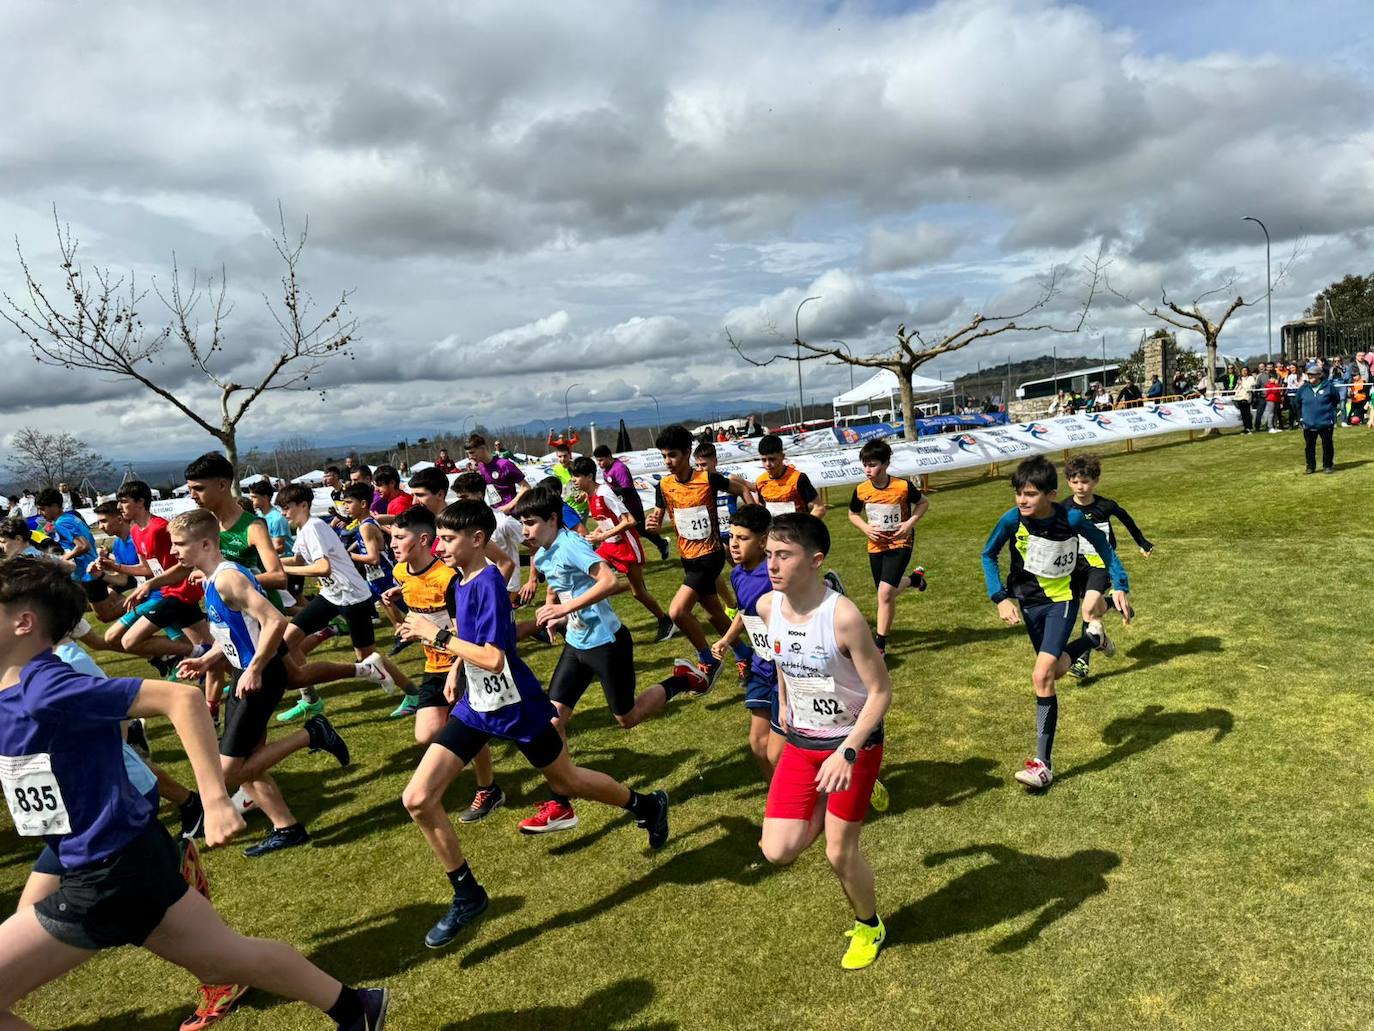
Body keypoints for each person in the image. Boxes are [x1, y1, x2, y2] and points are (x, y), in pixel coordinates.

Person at [0, 557, 391, 1030]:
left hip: (106, 872)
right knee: (228, 959)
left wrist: (214, 799)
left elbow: (180, 699)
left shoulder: (47, 686)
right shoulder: (13, 681)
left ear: (24, 623)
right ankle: (357, 1009)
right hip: (116, 851)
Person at [398, 500, 669, 949]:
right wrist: (453, 670)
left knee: (568, 779)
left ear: (477, 539)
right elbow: (472, 644)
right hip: (476, 706)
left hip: (516, 706)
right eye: (439, 538)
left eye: (447, 539)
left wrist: (436, 637)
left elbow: (495, 655)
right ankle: (468, 894)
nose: (439, 546)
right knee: (418, 798)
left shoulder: (486, 584)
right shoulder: (461, 583)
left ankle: (645, 805)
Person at [510, 487, 708, 833]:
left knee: (626, 717)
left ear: (553, 519)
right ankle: (561, 804)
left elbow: (610, 581)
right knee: (552, 722)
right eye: (522, 523)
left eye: (530, 523)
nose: (524, 530)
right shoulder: (543, 552)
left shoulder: (571, 544)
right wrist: (554, 614)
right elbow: (557, 583)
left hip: (607, 643)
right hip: (576, 644)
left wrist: (564, 608)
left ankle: (682, 679)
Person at [167, 509, 356, 859]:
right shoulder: (212, 579)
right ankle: (287, 827)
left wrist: (254, 668)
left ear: (206, 543)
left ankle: (313, 733)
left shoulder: (227, 579)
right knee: (250, 760)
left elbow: (274, 620)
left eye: (179, 544)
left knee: (226, 775)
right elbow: (236, 634)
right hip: (248, 672)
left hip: (259, 678)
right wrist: (206, 660)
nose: (174, 551)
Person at [756, 513, 893, 970]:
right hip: (801, 742)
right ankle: (837, 800)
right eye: (769, 553)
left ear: (815, 561)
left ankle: (870, 924)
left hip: (851, 745)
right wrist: (781, 717)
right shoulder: (767, 607)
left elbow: (881, 691)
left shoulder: (844, 616)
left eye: (784, 555)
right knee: (777, 851)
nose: (772, 564)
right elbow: (781, 664)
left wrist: (849, 752)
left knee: (839, 851)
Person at [980, 456, 1134, 791]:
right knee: (1058, 669)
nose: (1022, 500)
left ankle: (1042, 765)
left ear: (1051, 493)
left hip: (1061, 602)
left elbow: (1106, 552)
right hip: (1029, 604)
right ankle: (1093, 640)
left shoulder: (1072, 518)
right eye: (1019, 493)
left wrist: (1120, 583)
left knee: (1041, 674)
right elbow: (987, 554)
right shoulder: (1012, 520)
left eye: (1031, 494)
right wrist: (1000, 597)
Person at [276, 485, 401, 721]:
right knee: (285, 643)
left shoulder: (314, 527)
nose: (284, 513)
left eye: (286, 508)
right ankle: (310, 700)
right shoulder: (303, 531)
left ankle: (413, 693)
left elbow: (323, 567)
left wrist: (286, 569)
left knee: (368, 656)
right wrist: (271, 564)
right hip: (331, 596)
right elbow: (299, 559)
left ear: (303, 505)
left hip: (353, 596)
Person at [646, 425, 752, 680]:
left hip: (710, 554)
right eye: (663, 456)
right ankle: (744, 653)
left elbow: (741, 490)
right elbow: (658, 517)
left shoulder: (707, 479)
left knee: (677, 612)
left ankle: (708, 660)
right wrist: (654, 524)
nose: (668, 462)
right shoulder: (665, 486)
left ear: (687, 453)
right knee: (713, 612)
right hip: (687, 557)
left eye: (673, 455)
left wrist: (754, 519)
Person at [1063, 454, 1154, 679]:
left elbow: (1127, 521)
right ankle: (1112, 606)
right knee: (1093, 611)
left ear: (1096, 481)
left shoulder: (1105, 506)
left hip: (1101, 564)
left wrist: (1142, 542)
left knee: (1087, 610)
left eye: (1085, 481)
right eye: (1074, 482)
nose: (1080, 487)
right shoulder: (1063, 507)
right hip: (1076, 566)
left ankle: (1082, 661)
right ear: (1068, 482)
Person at [710, 505, 783, 779]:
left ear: (763, 541)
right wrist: (727, 640)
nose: (734, 545)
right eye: (731, 537)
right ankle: (777, 798)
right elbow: (745, 612)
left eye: (743, 538)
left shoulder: (776, 574)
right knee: (757, 744)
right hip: (760, 664)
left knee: (781, 749)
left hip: (785, 668)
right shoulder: (736, 575)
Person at [568, 457, 674, 642]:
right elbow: (606, 522)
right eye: (572, 476)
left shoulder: (604, 493)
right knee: (589, 576)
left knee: (638, 593)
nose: (573, 480)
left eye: (576, 476)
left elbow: (630, 521)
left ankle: (665, 620)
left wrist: (601, 536)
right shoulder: (590, 495)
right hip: (609, 546)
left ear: (589, 476)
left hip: (626, 546)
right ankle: (600, 625)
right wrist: (596, 533)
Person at [846, 439, 928, 656]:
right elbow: (853, 514)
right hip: (876, 545)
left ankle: (879, 645)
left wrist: (909, 524)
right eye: (865, 465)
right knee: (886, 592)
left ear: (886, 464)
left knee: (884, 594)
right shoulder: (861, 490)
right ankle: (914, 580)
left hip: (901, 542)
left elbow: (923, 503)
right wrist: (866, 528)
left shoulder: (902, 486)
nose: (867, 470)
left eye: (872, 465)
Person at [593, 444, 669, 560]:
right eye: (598, 461)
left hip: (632, 507)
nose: (600, 464)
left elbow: (627, 488)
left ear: (609, 456)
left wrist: (610, 492)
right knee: (620, 532)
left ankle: (662, 544)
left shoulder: (619, 468)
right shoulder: (607, 470)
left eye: (601, 460)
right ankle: (617, 557)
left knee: (641, 530)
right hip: (620, 508)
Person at [33, 488, 96, 591]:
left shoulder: (62, 523)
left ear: (54, 506)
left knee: (102, 606)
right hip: (92, 568)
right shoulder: (71, 518)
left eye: (42, 509)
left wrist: (62, 559)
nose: (40, 513)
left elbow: (83, 546)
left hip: (85, 573)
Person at [755, 434, 825, 518]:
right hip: (774, 530)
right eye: (764, 460)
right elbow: (762, 507)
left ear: (782, 457)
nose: (768, 464)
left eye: (772, 459)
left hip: (797, 529)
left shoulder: (798, 478)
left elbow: (819, 508)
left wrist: (805, 528)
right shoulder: (760, 481)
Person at [465, 433, 527, 513]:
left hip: (511, 513)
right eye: (468, 454)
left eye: (472, 452)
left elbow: (526, 487)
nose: (469, 457)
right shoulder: (480, 466)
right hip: (494, 513)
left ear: (482, 448)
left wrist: (509, 506)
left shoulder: (504, 464)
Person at [1296, 362, 1340, 474]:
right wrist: (1302, 418)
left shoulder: (1329, 387)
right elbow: (1297, 404)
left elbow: (1336, 400)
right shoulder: (1303, 388)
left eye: (1313, 374)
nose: (1310, 376)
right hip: (1309, 423)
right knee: (1309, 446)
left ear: (1320, 375)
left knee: (1327, 445)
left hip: (1325, 422)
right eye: (1309, 374)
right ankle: (1310, 466)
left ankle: (1328, 465)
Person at [1232, 366, 1256, 433]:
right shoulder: (1240, 378)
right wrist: (1237, 385)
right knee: (1243, 414)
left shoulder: (1251, 378)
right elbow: (1236, 388)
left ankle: (1249, 428)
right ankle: (1246, 427)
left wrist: (1242, 384)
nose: (1244, 372)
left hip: (1246, 398)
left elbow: (1249, 388)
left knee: (1247, 413)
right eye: (1243, 370)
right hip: (1239, 397)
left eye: (1245, 370)